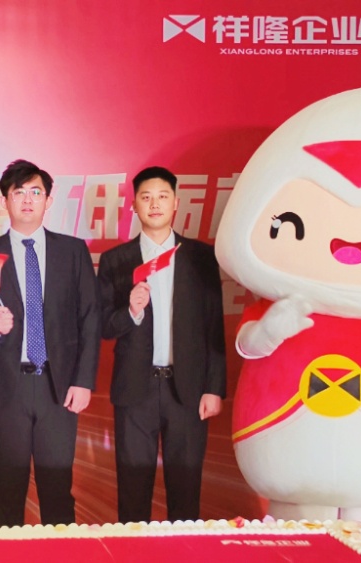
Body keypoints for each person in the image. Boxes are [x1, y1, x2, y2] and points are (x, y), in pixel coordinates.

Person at [0, 159, 100, 526]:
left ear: (49, 200)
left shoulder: (73, 251)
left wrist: (83, 381)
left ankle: (61, 552)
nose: (28, 200)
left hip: (59, 386)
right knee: (7, 488)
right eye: (18, 193)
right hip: (8, 387)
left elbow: (90, 318)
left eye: (36, 192)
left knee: (57, 489)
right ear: (4, 201)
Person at [97, 166, 226, 523]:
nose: (154, 204)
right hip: (134, 390)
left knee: (185, 493)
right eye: (146, 197)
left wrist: (213, 388)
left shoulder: (201, 258)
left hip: (186, 390)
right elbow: (104, 326)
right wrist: (131, 311)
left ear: (176, 203)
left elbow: (213, 326)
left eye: (162, 197)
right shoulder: (116, 261)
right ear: (134, 206)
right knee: (133, 492)